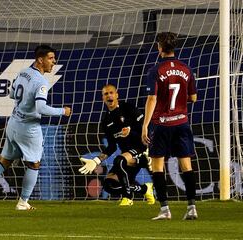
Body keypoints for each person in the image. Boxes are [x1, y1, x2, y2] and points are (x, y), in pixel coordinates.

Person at [0, 44, 71, 210]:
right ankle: (23, 202)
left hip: (13, 124)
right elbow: (41, 108)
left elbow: (12, 94)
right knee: (34, 164)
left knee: (4, 160)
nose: (54, 62)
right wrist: (62, 111)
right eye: (50, 58)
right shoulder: (41, 81)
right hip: (29, 129)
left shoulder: (23, 72)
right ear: (40, 60)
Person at [141, 32, 197, 220]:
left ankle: (165, 209)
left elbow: (152, 98)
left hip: (161, 124)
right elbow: (193, 98)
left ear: (159, 47)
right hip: (182, 122)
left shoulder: (155, 70)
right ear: (174, 47)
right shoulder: (186, 69)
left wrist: (145, 125)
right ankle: (191, 207)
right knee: (186, 164)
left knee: (157, 165)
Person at [79, 84, 155, 206]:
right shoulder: (106, 121)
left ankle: (128, 198)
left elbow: (145, 128)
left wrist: (132, 131)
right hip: (126, 155)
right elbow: (112, 147)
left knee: (119, 160)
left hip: (141, 150)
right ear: (103, 98)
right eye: (105, 94)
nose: (109, 95)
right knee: (109, 185)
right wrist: (96, 160)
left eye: (111, 93)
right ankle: (145, 189)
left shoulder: (128, 108)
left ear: (116, 95)